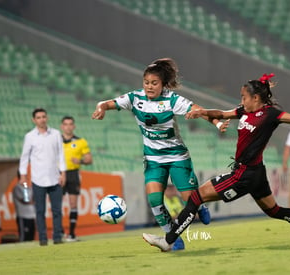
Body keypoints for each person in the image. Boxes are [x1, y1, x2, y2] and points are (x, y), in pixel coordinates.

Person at [142, 73, 290, 252]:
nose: (242, 101)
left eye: (244, 97)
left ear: (256, 98)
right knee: (275, 211)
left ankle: (168, 241)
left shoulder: (271, 114)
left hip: (243, 175)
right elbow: (223, 113)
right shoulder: (245, 110)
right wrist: (202, 112)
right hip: (255, 174)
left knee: (197, 196)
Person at [92, 58, 228, 251]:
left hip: (177, 156)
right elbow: (107, 103)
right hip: (153, 159)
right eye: (146, 82)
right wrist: (101, 109)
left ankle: (201, 206)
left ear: (163, 84)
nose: (149, 86)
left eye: (154, 83)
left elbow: (199, 110)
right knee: (155, 199)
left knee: (189, 198)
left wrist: (217, 123)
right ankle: (173, 239)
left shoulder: (172, 100)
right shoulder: (134, 98)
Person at [19, 108, 66, 246]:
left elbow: (61, 155)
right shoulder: (30, 137)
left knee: (57, 210)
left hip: (55, 178)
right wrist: (23, 175)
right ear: (34, 120)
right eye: (38, 117)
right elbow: (24, 157)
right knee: (40, 211)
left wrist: (63, 173)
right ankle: (43, 238)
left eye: (43, 116)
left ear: (47, 118)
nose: (42, 119)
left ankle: (57, 237)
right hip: (38, 179)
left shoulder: (56, 134)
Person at [61, 116, 93, 242]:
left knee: (73, 204)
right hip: (58, 174)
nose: (68, 127)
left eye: (70, 124)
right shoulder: (56, 141)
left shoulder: (81, 142)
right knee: (57, 204)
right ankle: (60, 232)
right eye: (65, 124)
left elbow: (89, 159)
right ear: (62, 126)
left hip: (73, 174)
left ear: (74, 126)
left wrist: (79, 161)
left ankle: (72, 233)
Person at [13, 170, 36, 242]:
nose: (26, 178)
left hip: (31, 216)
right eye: (24, 176)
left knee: (31, 236)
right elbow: (25, 200)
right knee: (24, 237)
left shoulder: (28, 188)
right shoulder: (17, 188)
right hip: (23, 216)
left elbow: (34, 198)